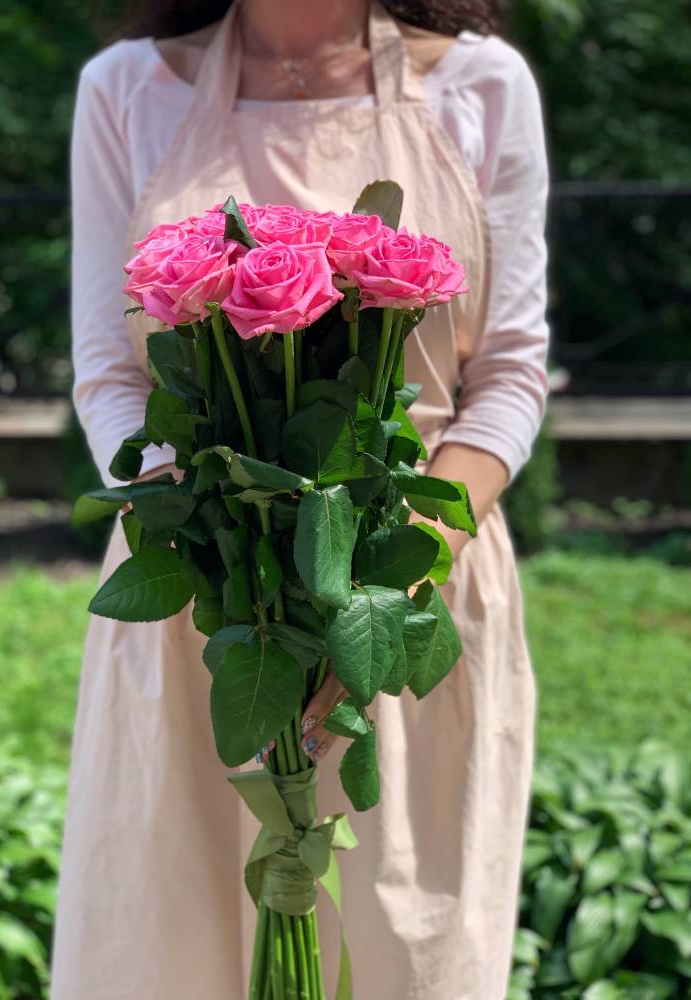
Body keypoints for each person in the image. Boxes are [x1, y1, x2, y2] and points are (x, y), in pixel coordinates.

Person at [52, 1, 550, 997]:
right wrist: (206, 530)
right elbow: (110, 372)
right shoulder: (126, 90)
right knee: (168, 954)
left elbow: (508, 374)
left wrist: (396, 565)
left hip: (406, 605)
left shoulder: (481, 87)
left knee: (404, 957)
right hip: (205, 610)